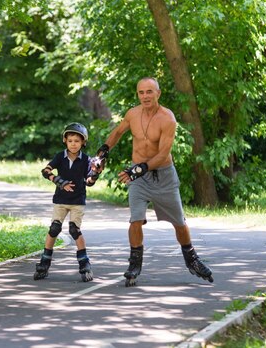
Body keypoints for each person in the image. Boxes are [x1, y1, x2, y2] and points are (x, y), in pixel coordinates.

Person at [93, 77, 213, 286]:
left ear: (158, 93)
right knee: (135, 219)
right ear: (138, 94)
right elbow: (118, 132)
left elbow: (162, 154)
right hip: (139, 178)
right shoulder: (132, 114)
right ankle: (135, 263)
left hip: (163, 175)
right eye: (141, 92)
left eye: (150, 92)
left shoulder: (167, 119)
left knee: (179, 223)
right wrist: (103, 152)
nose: (145, 96)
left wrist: (136, 170)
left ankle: (192, 259)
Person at [35, 122, 100, 282]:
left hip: (78, 200)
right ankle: (44, 262)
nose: (73, 144)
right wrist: (59, 181)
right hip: (61, 200)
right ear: (65, 140)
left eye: (77, 141)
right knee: (54, 229)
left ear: (83, 142)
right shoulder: (60, 156)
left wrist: (96, 174)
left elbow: (89, 181)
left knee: (74, 230)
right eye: (70, 140)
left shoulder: (86, 160)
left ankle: (85, 264)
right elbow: (46, 171)